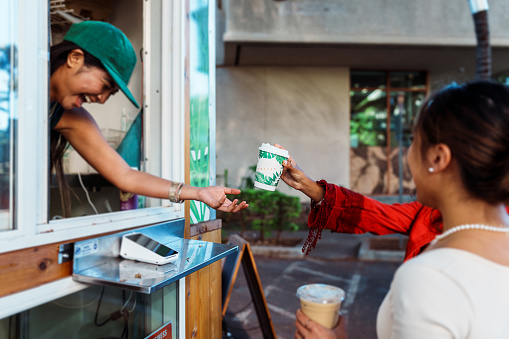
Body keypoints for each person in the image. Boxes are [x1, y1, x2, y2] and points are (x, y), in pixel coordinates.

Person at [291, 80, 509, 338]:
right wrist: (308, 185)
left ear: (438, 158)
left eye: (414, 141)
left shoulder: (429, 277)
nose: (407, 157)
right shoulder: (433, 218)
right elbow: (373, 214)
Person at [49, 21, 247, 216]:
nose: (102, 99)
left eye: (111, 93)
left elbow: (125, 175)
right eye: (105, 84)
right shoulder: (18, 88)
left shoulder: (71, 118)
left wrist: (197, 193)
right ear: (75, 58)